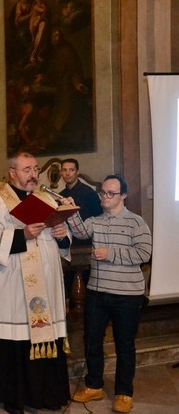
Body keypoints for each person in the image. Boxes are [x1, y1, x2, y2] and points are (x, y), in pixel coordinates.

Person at [0, 152, 71, 414]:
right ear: (12, 172)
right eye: (27, 169)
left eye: (35, 169)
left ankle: (46, 395)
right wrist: (23, 234)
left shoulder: (47, 198)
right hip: (12, 287)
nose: (33, 174)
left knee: (42, 337)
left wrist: (62, 234)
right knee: (16, 341)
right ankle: (14, 398)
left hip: (45, 285)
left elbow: (61, 240)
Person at [64, 174, 152, 414]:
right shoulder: (96, 221)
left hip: (127, 295)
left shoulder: (136, 222)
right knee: (92, 340)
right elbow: (81, 232)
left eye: (111, 193)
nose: (105, 197)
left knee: (124, 344)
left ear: (123, 195)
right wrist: (70, 211)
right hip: (97, 292)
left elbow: (144, 253)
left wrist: (110, 253)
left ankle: (124, 393)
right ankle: (94, 385)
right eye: (102, 193)